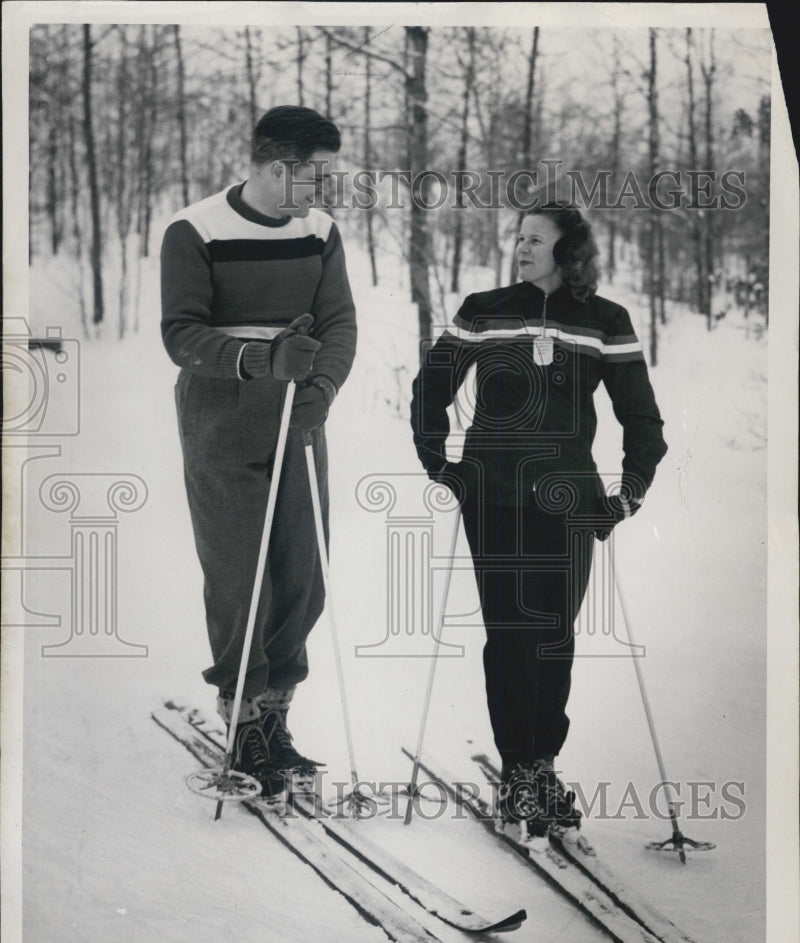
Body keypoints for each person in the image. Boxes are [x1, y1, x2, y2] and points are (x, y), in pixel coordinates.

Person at [410, 203, 667, 847]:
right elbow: (430, 388)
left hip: (569, 499)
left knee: (554, 632)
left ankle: (541, 763)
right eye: (518, 237)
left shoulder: (606, 321)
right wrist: (441, 463)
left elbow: (644, 420)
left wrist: (627, 493)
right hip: (492, 495)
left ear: (568, 249)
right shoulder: (484, 308)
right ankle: (518, 767)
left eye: (535, 239)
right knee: (510, 628)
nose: (522, 248)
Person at [161, 106, 357, 796]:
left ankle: (276, 721)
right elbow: (181, 335)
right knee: (242, 574)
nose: (324, 189)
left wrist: (323, 386)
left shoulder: (321, 231)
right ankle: (242, 719)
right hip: (222, 414)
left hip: (297, 415)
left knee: (302, 573)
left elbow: (338, 322)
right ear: (278, 167)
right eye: (317, 175)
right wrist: (259, 357)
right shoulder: (195, 230)